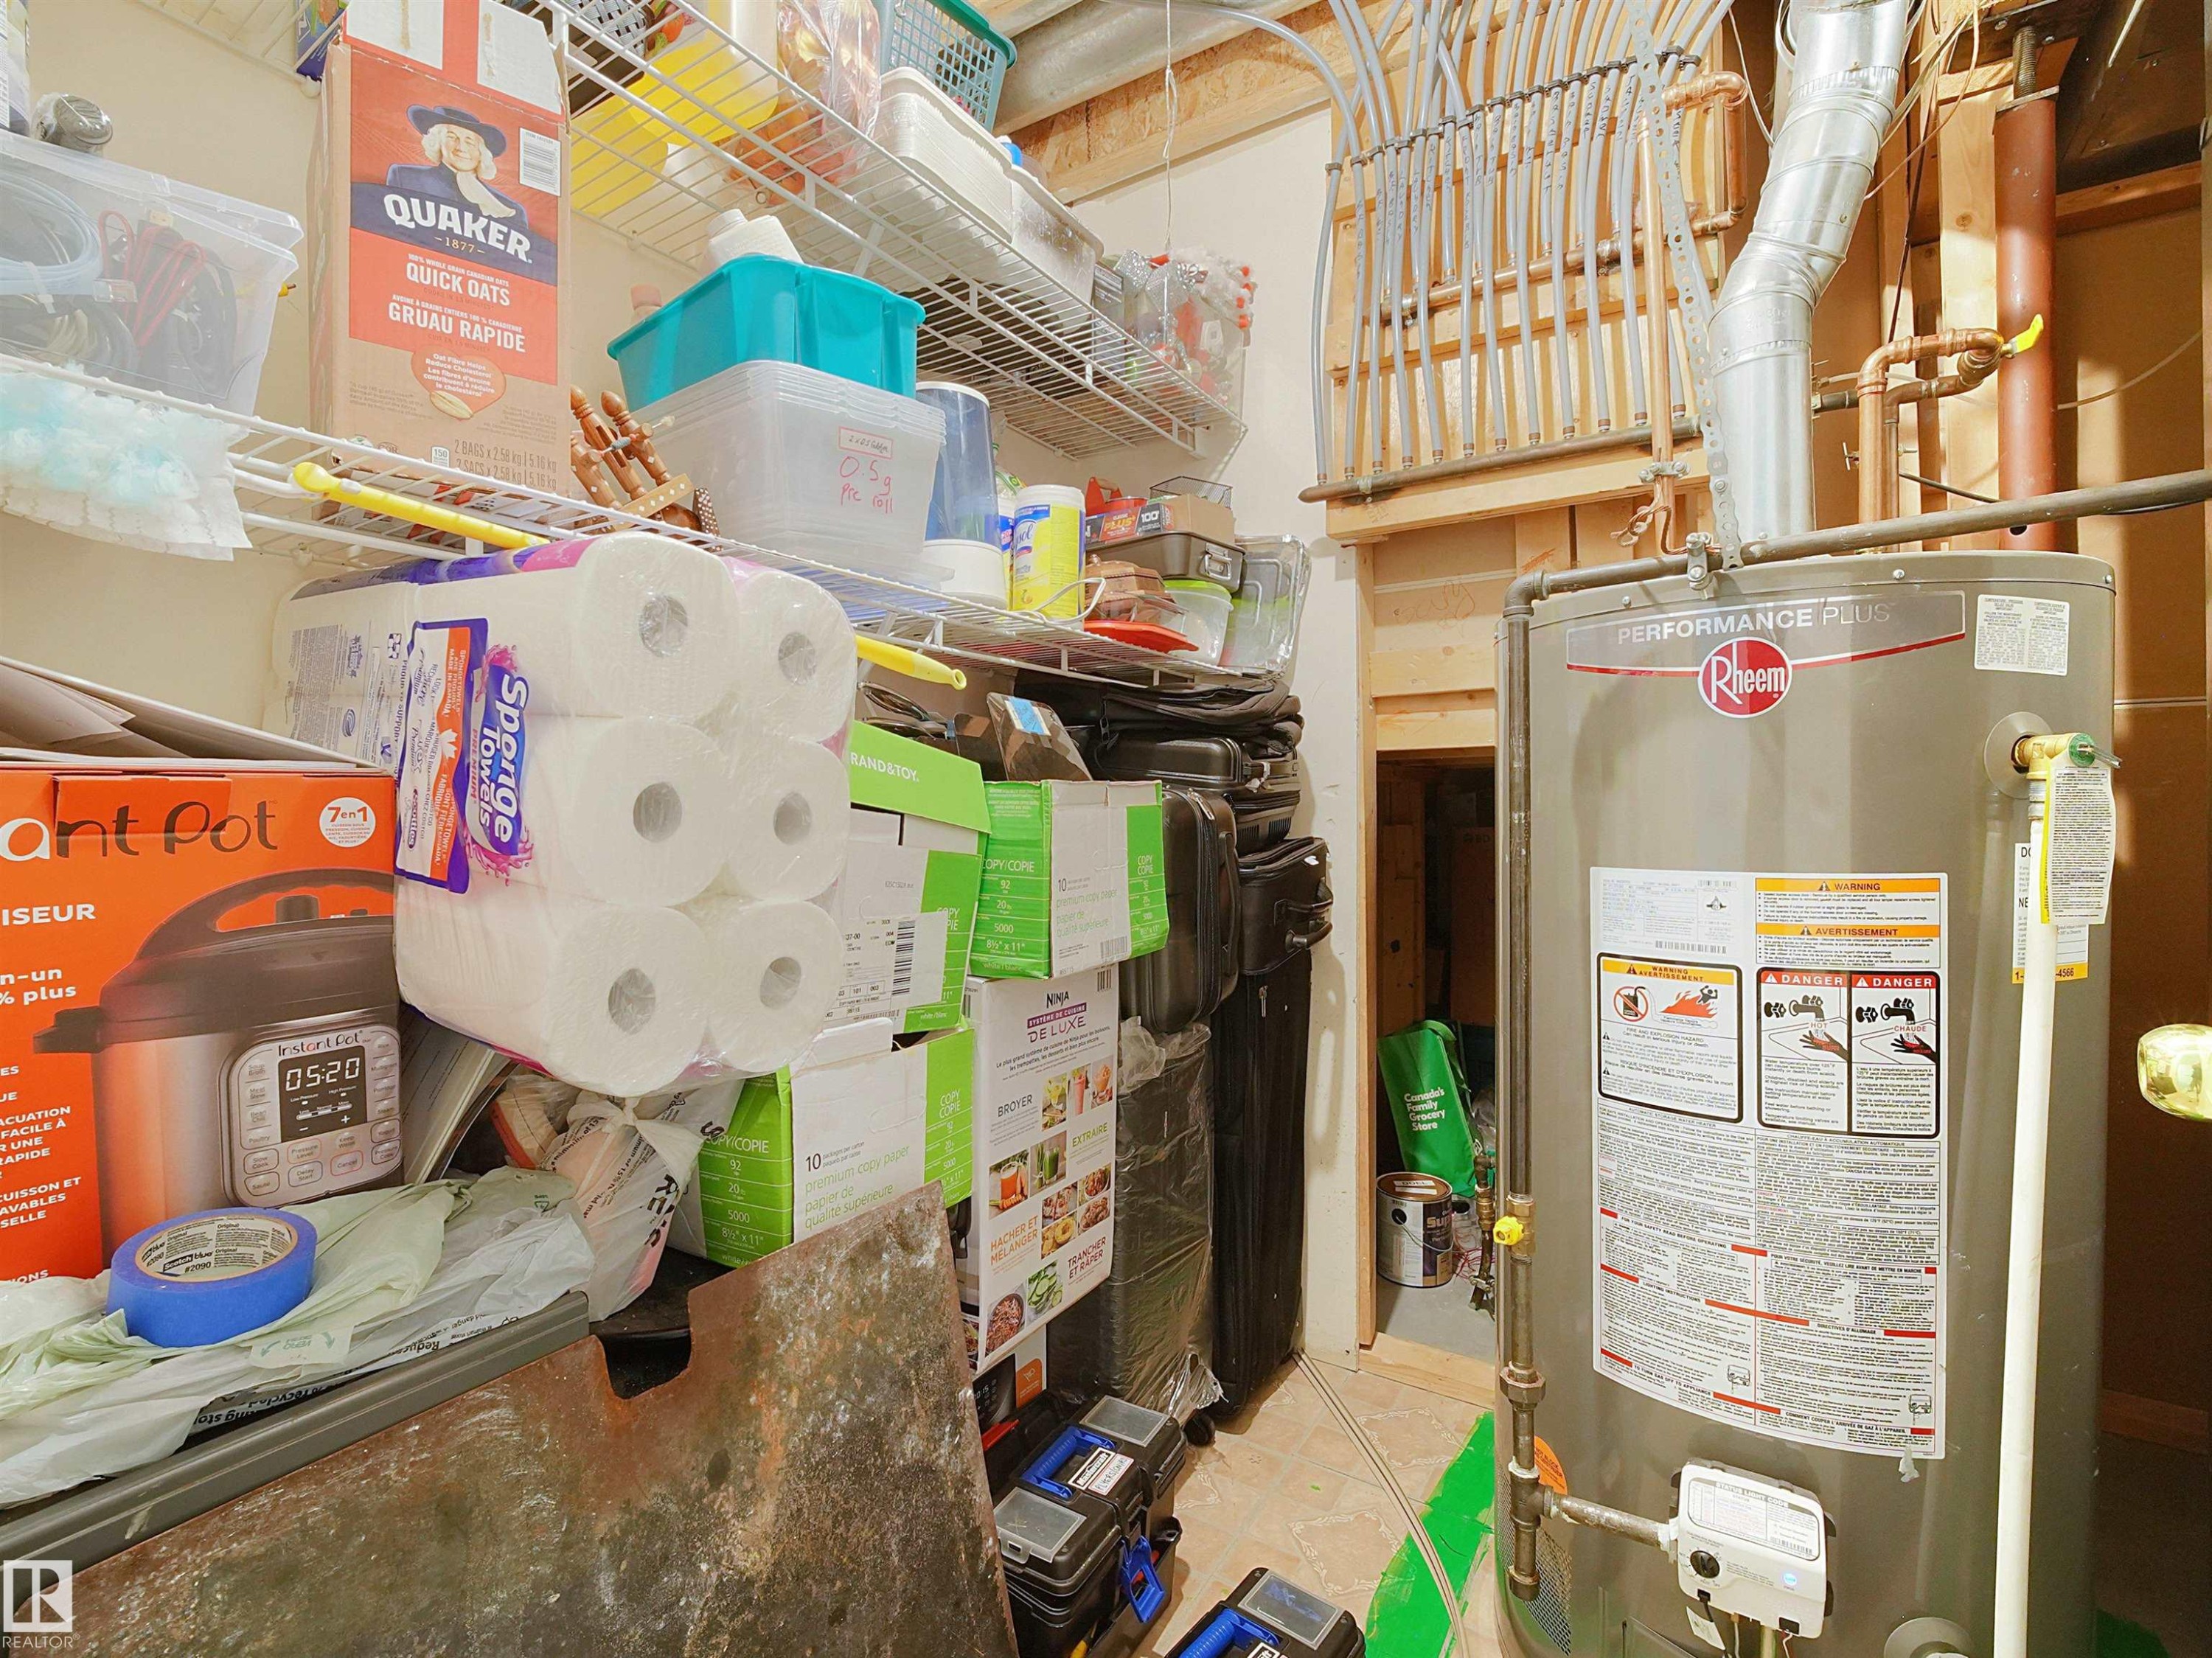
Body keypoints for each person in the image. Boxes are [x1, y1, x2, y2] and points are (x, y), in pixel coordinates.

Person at [386, 103, 524, 220]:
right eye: (452, 137)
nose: (461, 148)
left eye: (470, 142)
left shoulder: (508, 208)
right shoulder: (404, 176)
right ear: (437, 143)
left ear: (482, 152)